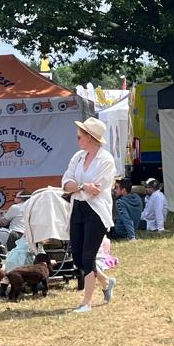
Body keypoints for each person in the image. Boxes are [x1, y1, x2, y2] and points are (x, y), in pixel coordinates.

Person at [61, 118, 117, 313]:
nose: (77, 139)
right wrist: (82, 186)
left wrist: (78, 188)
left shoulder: (106, 160)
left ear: (90, 138)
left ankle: (87, 302)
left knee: (88, 257)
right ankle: (106, 281)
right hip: (78, 208)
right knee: (78, 258)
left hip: (97, 211)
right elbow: (66, 183)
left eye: (80, 136)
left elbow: (95, 190)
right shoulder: (78, 157)